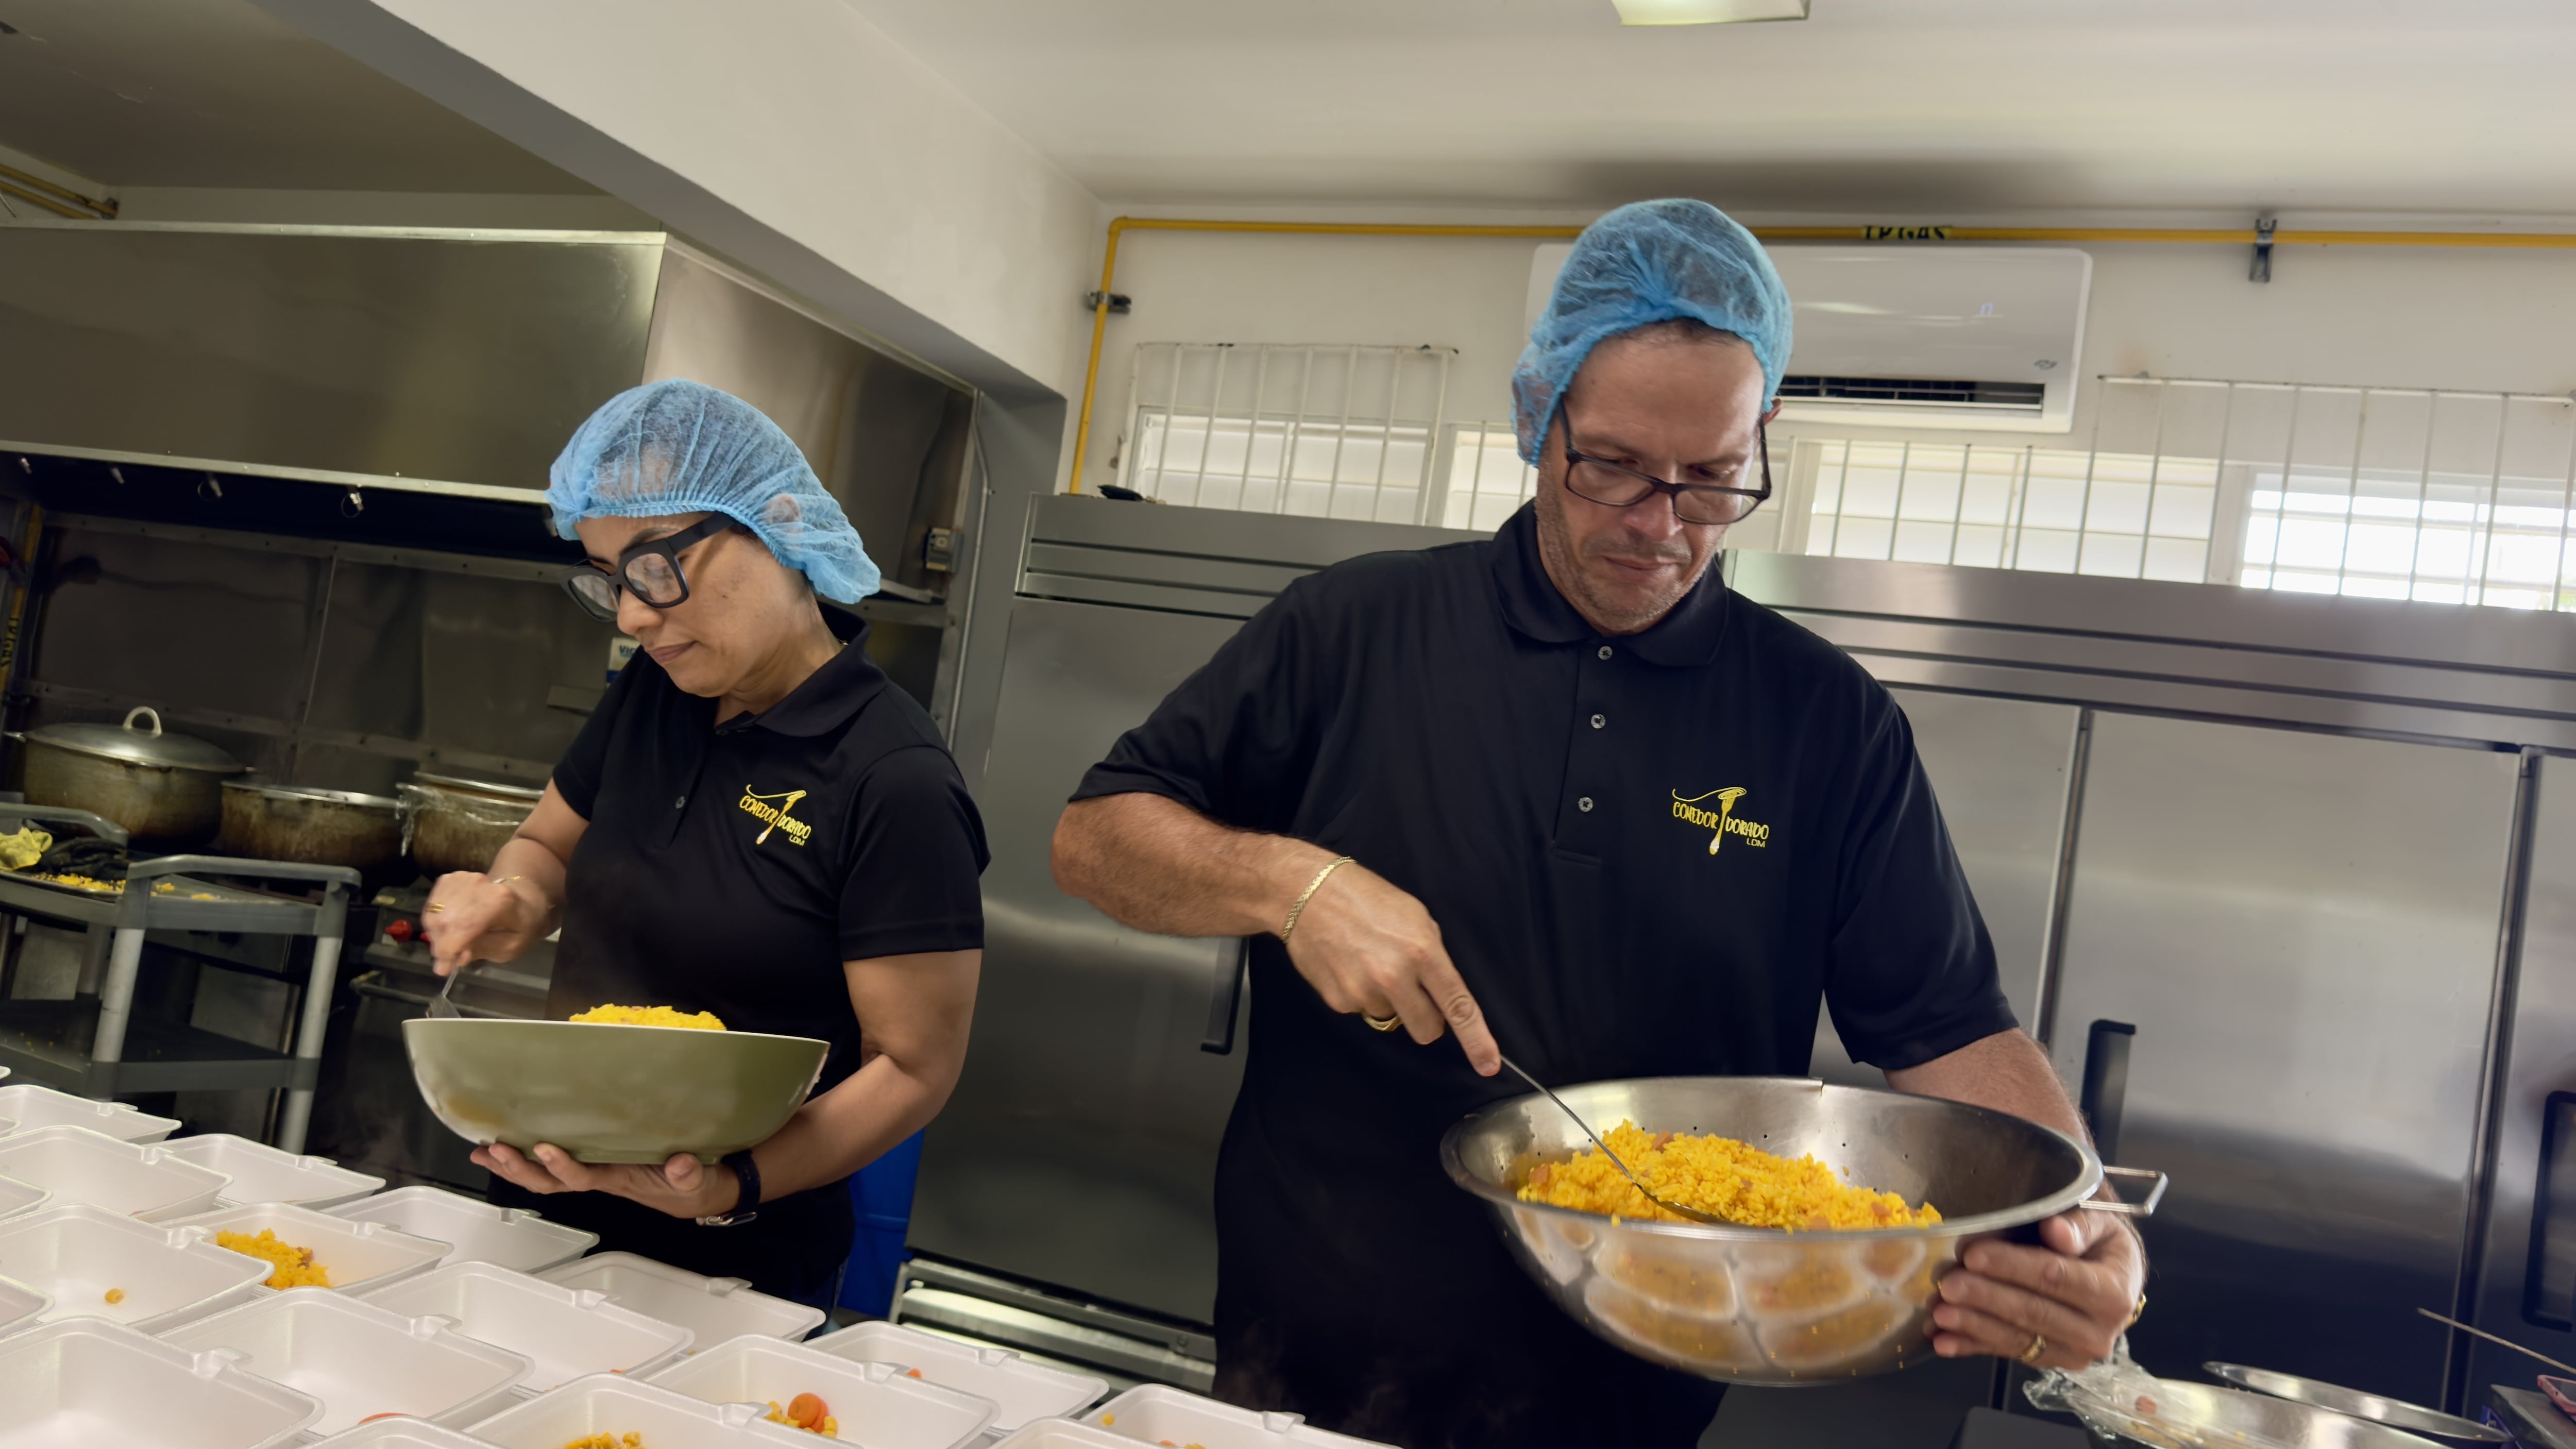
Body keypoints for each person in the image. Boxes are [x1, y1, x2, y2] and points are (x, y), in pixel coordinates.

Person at [1049, 200, 2145, 1447]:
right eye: (1613, 464)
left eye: (1713, 478)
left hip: (1643, 1382)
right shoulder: (1350, 630)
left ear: (1761, 436)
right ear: (1538, 415)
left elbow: (1950, 1023)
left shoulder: (1830, 724)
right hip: (1306, 1350)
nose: (1658, 521)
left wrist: (2089, 1221)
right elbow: (1094, 838)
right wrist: (1289, 883)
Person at [418, 379, 988, 1313]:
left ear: (774, 525)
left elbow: (916, 1067)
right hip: (547, 1202)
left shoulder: (895, 779)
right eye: (610, 580)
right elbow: (548, 848)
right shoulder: (654, 691)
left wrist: (732, 1187)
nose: (633, 616)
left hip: (734, 1264)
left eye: (653, 566)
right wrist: (508, 900)